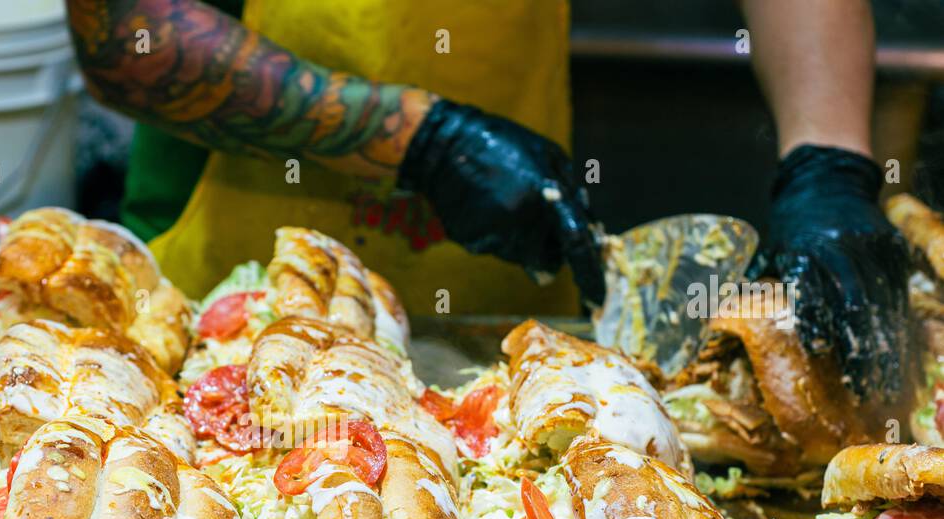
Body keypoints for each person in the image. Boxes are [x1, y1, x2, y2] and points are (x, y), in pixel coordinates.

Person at [66, 0, 911, 398]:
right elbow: (126, 37)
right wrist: (420, 141)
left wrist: (828, 160)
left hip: (508, 323)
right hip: (229, 317)